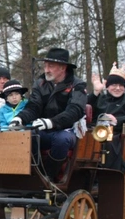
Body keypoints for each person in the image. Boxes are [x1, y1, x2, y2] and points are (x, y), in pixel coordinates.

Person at [9, 47, 87, 181]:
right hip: (44, 130)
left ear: (63, 68)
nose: (46, 70)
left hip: (67, 130)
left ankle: (49, 177)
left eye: (50, 66)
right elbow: (33, 107)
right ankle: (33, 175)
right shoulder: (40, 83)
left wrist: (52, 122)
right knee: (28, 135)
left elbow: (75, 111)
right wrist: (19, 118)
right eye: (45, 66)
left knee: (62, 140)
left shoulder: (78, 85)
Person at [88, 63, 125, 171]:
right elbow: (86, 108)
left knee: (110, 140)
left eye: (121, 85)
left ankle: (111, 173)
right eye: (114, 85)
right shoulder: (100, 98)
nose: (117, 88)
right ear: (107, 86)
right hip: (94, 132)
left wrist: (117, 120)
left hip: (117, 134)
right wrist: (95, 92)